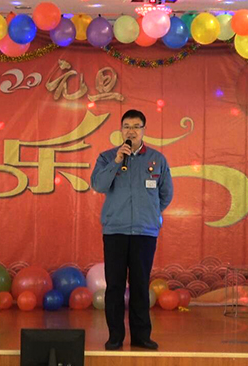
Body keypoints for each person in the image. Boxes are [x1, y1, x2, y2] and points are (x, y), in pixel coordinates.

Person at [90, 109, 174, 351]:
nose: (131, 131)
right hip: (115, 231)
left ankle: (141, 336)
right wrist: (117, 161)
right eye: (127, 126)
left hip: (144, 233)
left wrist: (150, 212)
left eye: (136, 126)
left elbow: (166, 194)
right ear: (121, 130)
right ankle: (115, 336)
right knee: (115, 286)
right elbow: (98, 185)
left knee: (139, 285)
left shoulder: (157, 159)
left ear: (144, 130)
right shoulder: (107, 157)